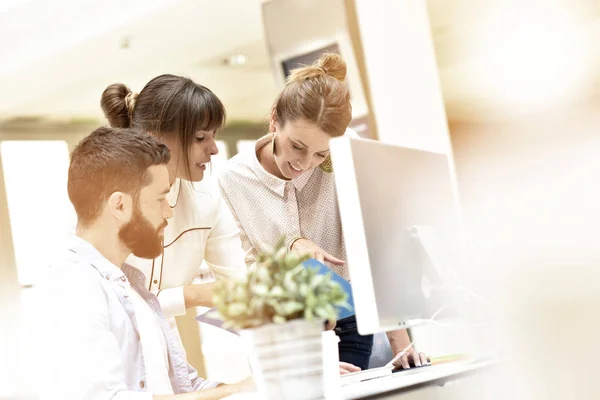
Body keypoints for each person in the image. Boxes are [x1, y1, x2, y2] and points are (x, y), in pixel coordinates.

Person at [219, 53, 428, 374]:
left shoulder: (348, 149)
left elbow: (374, 241)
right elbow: (253, 262)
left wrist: (402, 342)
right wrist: (291, 249)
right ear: (275, 120)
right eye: (297, 146)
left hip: (350, 319)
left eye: (321, 154)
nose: (304, 164)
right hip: (288, 334)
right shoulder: (234, 176)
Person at [37, 127, 253, 399]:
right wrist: (237, 389)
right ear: (119, 206)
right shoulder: (72, 285)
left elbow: (185, 389)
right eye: (160, 198)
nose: (168, 212)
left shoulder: (133, 290)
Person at [100, 75, 246, 323]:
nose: (214, 148)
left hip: (163, 353)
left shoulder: (207, 201)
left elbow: (241, 287)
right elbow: (108, 305)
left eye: (213, 135)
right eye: (200, 138)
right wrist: (191, 295)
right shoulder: (104, 201)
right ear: (153, 136)